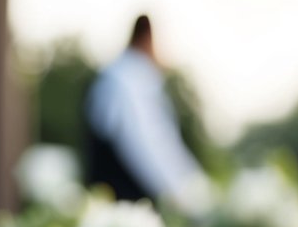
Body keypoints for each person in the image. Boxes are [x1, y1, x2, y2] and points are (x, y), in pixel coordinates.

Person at [85, 15, 211, 215]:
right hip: (125, 210)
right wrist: (192, 199)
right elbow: (149, 148)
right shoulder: (128, 82)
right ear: (148, 38)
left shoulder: (123, 78)